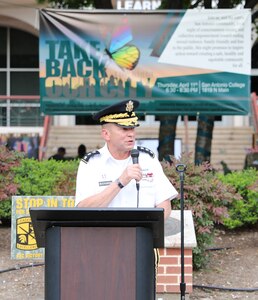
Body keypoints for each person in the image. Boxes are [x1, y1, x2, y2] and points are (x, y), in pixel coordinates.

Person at [75, 99, 178, 219]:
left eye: (132, 128)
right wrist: (120, 182)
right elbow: (83, 209)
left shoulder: (147, 159)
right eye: (124, 129)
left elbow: (164, 203)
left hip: (141, 234)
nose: (131, 134)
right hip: (104, 235)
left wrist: (150, 231)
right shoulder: (91, 164)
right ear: (106, 134)